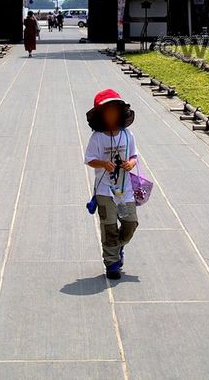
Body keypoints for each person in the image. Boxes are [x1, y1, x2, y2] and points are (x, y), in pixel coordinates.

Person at [84, 89, 139, 279]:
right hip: (104, 191)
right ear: (100, 115)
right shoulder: (97, 138)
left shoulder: (127, 135)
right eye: (107, 112)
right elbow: (89, 159)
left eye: (115, 111)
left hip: (125, 191)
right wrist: (102, 163)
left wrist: (131, 163)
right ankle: (112, 263)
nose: (112, 115)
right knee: (109, 227)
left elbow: (134, 156)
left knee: (130, 223)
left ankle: (117, 247)